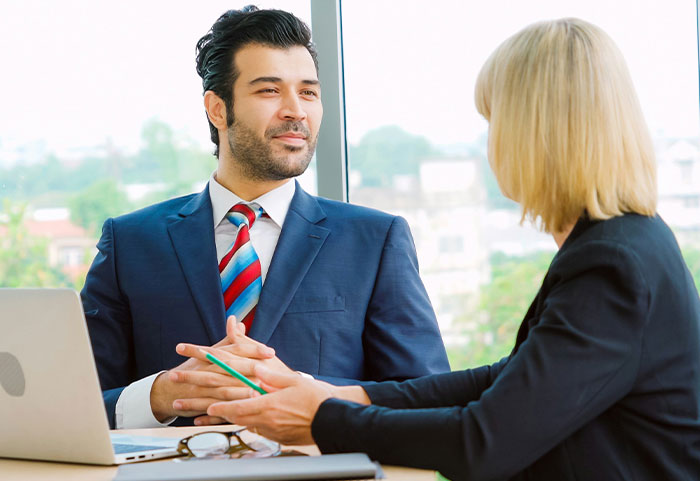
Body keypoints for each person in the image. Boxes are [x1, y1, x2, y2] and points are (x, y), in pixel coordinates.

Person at [199, 18, 700, 480]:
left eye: (495, 120)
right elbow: (503, 380)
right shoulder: (624, 245)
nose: (492, 145)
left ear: (536, 132)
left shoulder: (612, 265)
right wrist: (342, 394)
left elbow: (482, 442)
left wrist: (322, 419)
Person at [81, 6, 449, 430]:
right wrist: (162, 394)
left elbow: (426, 398)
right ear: (218, 109)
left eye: (309, 92)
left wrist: (306, 392)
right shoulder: (130, 243)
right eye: (270, 91)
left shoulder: (375, 239)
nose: (296, 111)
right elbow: (74, 404)